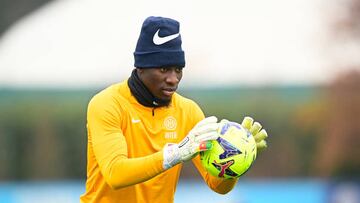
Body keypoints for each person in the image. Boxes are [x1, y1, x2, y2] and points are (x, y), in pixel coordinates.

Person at [80, 16, 268, 203]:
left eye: (178, 69)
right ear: (141, 67)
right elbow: (116, 174)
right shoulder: (107, 104)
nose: (173, 79)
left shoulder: (188, 111)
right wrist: (175, 154)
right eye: (163, 69)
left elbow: (217, 185)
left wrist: (236, 160)